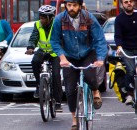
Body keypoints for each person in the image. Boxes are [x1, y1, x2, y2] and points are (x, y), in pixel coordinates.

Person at [50, 0, 107, 129]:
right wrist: (62, 58)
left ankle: (95, 90)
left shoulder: (88, 18)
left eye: (74, 5)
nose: (71, 8)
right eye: (69, 5)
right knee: (70, 90)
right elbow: (54, 41)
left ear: (80, 6)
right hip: (69, 56)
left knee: (90, 76)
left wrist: (100, 59)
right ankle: (74, 119)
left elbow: (99, 39)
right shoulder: (59, 19)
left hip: (87, 53)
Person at [25, 5, 63, 112]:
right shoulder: (37, 24)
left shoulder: (57, 24)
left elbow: (61, 38)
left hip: (55, 53)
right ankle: (38, 85)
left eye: (43, 18)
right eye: (40, 17)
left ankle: (58, 102)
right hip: (42, 51)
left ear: (50, 18)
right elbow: (34, 37)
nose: (41, 20)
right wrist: (31, 47)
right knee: (34, 61)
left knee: (56, 75)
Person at [115, 0, 137, 105]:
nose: (129, 3)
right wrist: (119, 47)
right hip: (126, 49)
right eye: (126, 2)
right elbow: (118, 36)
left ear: (134, 3)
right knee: (131, 70)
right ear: (122, 4)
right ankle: (129, 94)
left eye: (131, 1)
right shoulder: (119, 19)